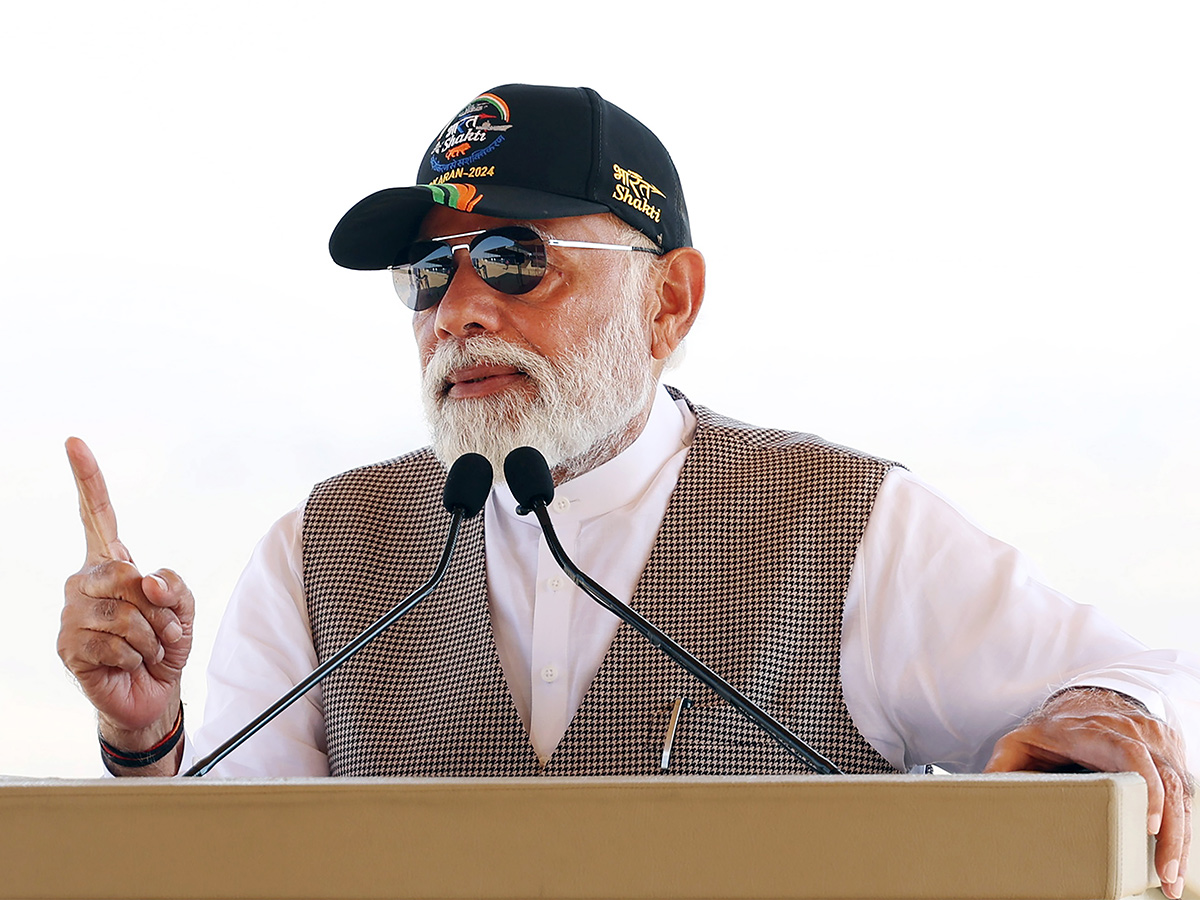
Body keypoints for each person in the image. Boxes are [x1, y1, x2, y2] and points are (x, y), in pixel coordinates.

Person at [59, 84, 1195, 896]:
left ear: (671, 301)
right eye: (428, 273)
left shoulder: (845, 527)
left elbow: (1149, 680)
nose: (459, 309)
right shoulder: (320, 548)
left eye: (514, 259)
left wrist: (1114, 714)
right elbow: (220, 866)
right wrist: (148, 739)